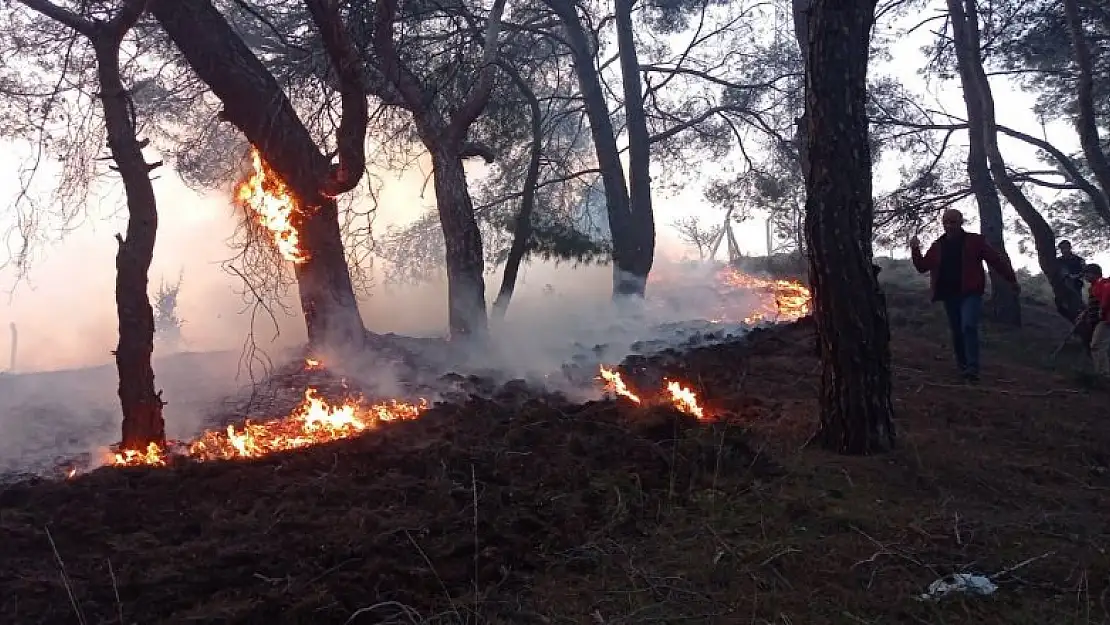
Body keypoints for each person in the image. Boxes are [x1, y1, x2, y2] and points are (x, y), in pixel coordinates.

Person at [911, 209, 1020, 383]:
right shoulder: (938, 245)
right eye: (946, 222)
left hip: (971, 292)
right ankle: (963, 366)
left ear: (961, 222)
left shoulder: (975, 241)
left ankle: (972, 368)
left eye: (953, 222)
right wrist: (915, 249)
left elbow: (996, 261)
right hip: (949, 294)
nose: (949, 226)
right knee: (957, 331)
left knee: (968, 326)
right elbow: (923, 266)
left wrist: (1011, 280)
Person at [1083, 263, 1110, 378]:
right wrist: (1084, 313)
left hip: (1106, 320)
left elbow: (1107, 293)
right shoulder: (1092, 288)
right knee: (1098, 345)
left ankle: (1103, 374)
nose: (1085, 276)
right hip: (1100, 320)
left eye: (1087, 273)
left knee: (1096, 345)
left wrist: (1102, 310)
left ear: (1094, 274)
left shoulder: (1102, 283)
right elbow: (1093, 303)